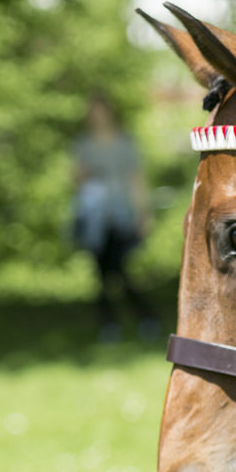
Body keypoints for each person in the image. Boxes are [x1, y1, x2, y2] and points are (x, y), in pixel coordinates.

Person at [72, 94, 156, 342]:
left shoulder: (124, 142)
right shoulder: (83, 144)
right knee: (101, 275)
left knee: (122, 271)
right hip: (95, 217)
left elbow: (136, 180)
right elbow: (75, 179)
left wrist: (144, 214)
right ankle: (109, 326)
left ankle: (146, 318)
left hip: (122, 215)